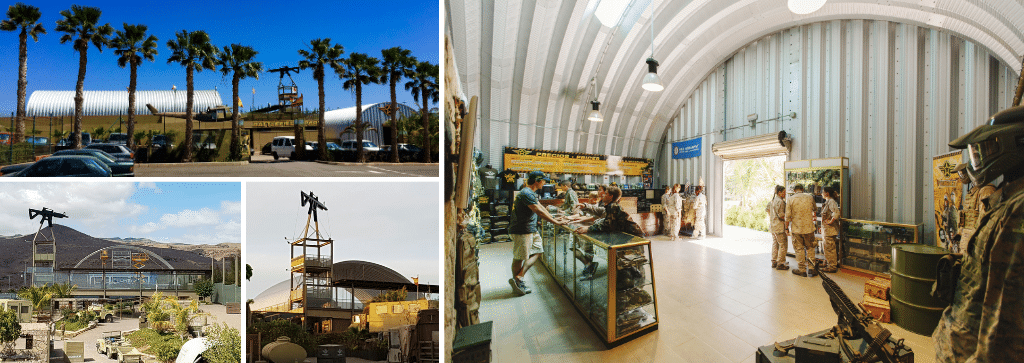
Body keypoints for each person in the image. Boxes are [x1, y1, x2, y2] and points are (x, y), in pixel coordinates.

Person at [933, 106, 1024, 362]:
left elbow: (1005, 322)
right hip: (960, 344)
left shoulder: (1018, 208)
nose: (981, 158)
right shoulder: (1006, 199)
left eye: (991, 147)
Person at [508, 170, 567, 296]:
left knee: (538, 251)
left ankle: (519, 277)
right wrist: (555, 223)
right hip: (522, 229)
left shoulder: (530, 193)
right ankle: (518, 284)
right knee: (519, 257)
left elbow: (540, 208)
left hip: (530, 229)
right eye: (543, 180)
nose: (544, 183)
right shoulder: (526, 193)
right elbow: (538, 212)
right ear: (537, 180)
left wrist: (555, 218)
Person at [955, 162, 996, 254]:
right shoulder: (973, 191)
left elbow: (986, 222)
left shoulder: (986, 190)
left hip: (976, 245)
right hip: (967, 242)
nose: (961, 177)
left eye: (963, 173)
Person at [575, 186, 644, 236]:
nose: (603, 195)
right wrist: (585, 206)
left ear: (611, 196)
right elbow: (599, 210)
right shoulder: (610, 206)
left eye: (606, 194)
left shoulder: (613, 206)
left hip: (633, 236)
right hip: (629, 235)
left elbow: (607, 225)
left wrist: (588, 229)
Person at [786, 184, 818, 277]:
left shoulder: (791, 199)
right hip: (809, 228)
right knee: (810, 248)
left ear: (794, 190)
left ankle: (802, 270)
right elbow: (815, 209)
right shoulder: (810, 197)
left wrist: (786, 228)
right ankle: (811, 269)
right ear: (803, 189)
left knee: (799, 249)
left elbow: (787, 216)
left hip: (797, 229)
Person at [819, 187, 840, 273]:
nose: (821, 194)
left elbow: (836, 213)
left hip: (830, 230)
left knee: (830, 248)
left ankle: (832, 266)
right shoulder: (828, 202)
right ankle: (827, 263)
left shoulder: (831, 202)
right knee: (827, 248)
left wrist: (830, 221)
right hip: (827, 230)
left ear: (826, 193)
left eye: (822, 192)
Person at [768, 185, 788, 270]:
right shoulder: (781, 202)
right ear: (779, 193)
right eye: (784, 192)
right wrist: (787, 222)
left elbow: (768, 210)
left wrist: (773, 219)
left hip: (772, 226)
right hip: (779, 226)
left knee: (775, 243)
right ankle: (781, 263)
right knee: (783, 245)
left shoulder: (772, 201)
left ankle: (774, 261)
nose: (785, 194)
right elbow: (782, 215)